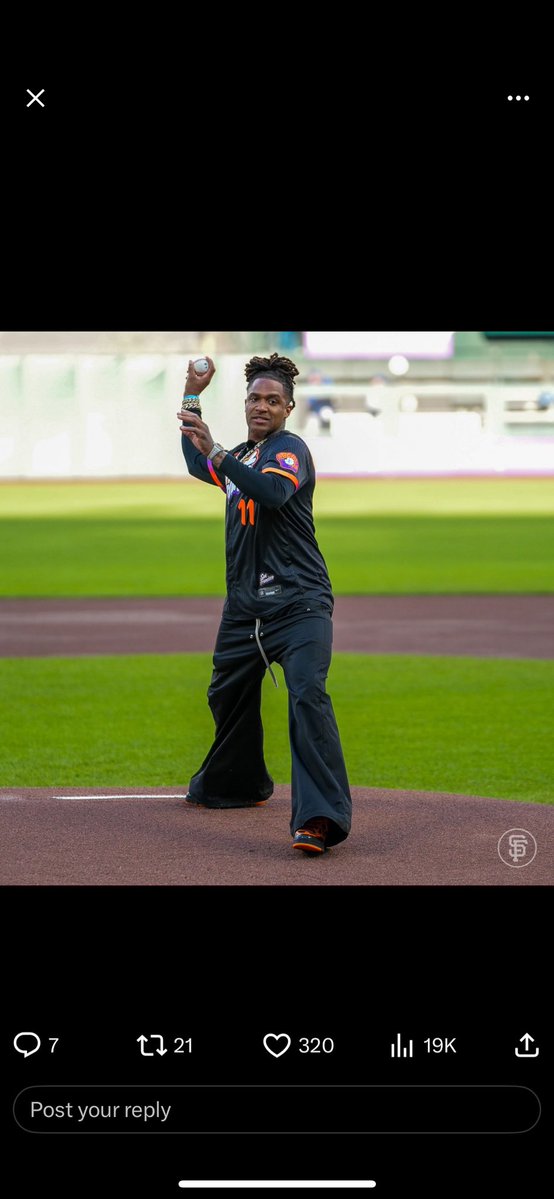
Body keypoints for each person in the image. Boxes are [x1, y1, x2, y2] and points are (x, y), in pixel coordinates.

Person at [176, 352, 352, 854]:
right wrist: (192, 395)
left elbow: (273, 493)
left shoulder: (289, 450)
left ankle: (320, 819)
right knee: (226, 693)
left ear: (288, 408)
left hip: (299, 604)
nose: (262, 406)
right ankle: (237, 785)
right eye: (255, 398)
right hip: (244, 610)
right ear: (245, 403)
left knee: (307, 695)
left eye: (273, 400)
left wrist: (220, 453)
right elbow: (197, 462)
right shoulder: (242, 458)